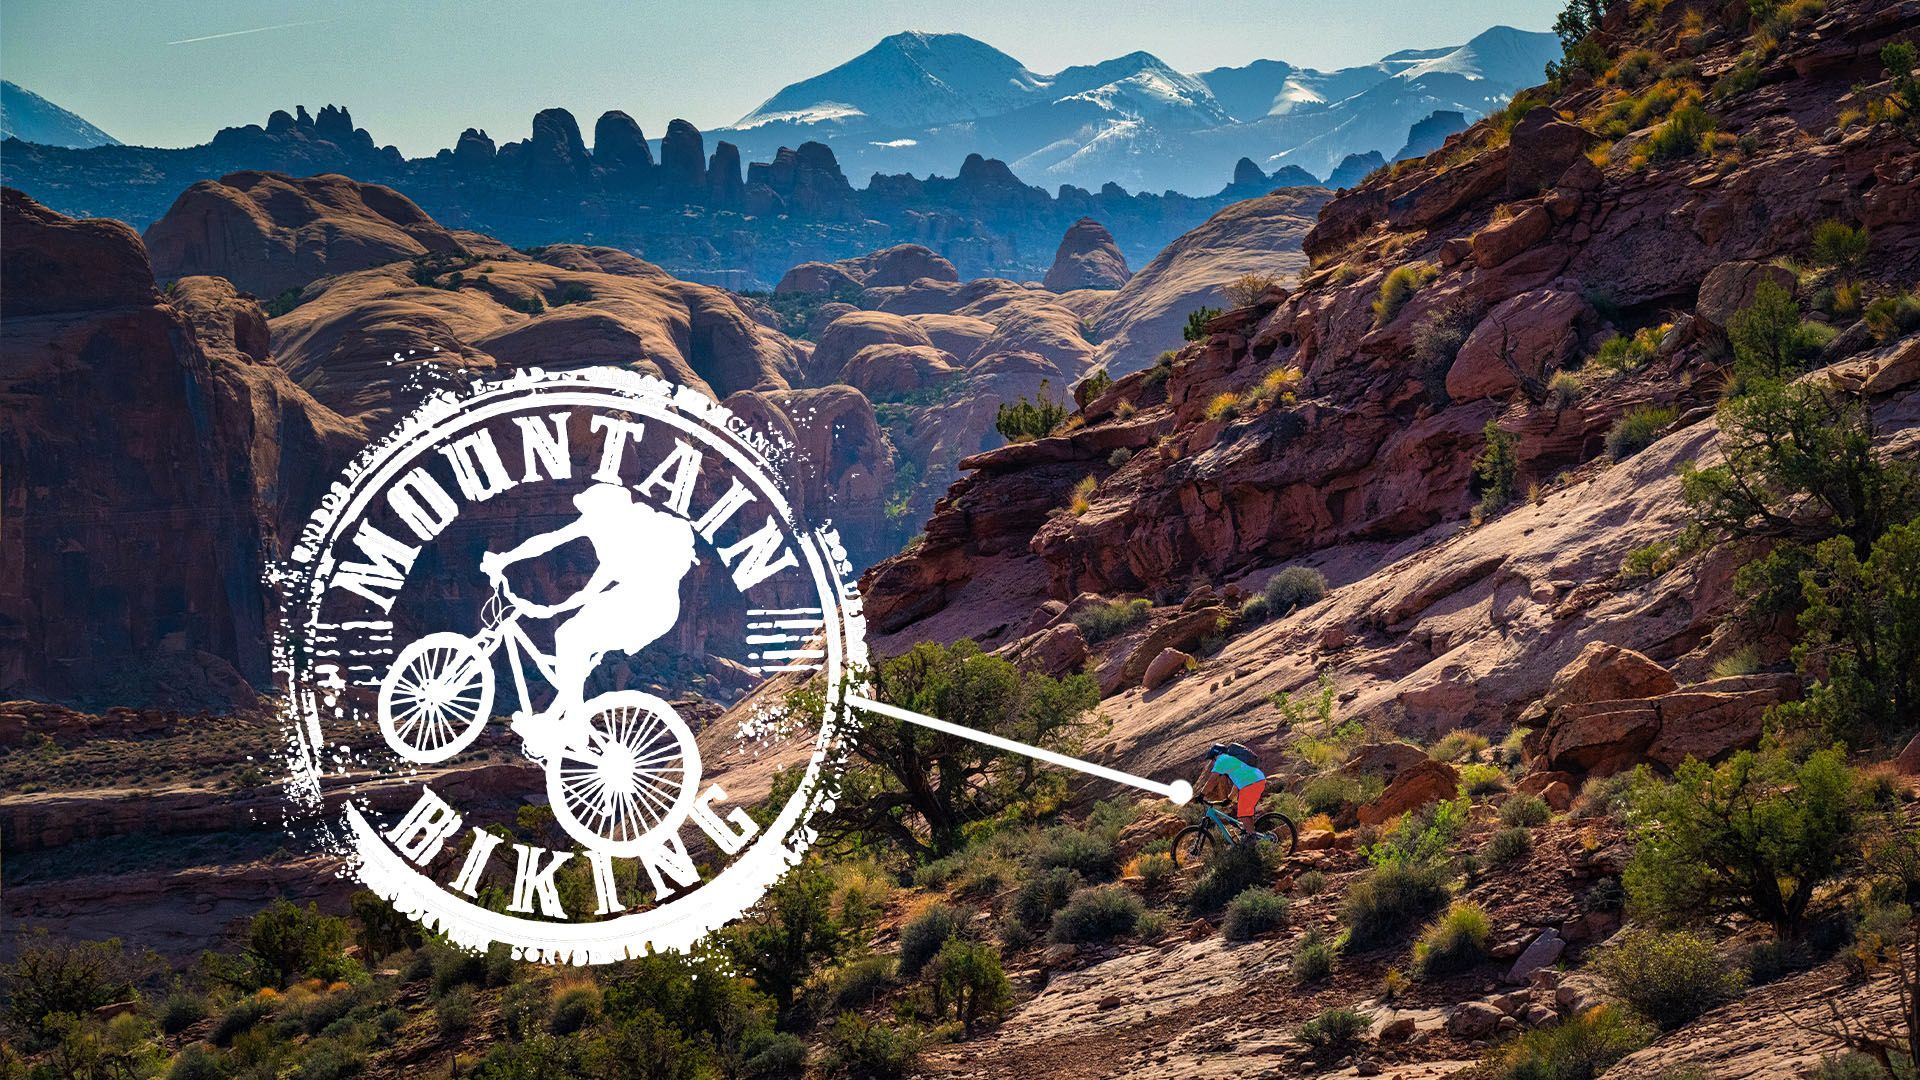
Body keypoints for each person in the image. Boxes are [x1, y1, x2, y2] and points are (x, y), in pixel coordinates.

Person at [478, 482, 698, 761]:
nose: (585, 514)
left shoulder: (621, 538)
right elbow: (558, 552)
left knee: (569, 637)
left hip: (643, 602)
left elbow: (553, 545)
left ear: (606, 510)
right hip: (656, 606)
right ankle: (555, 723)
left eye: (590, 508)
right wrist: (546, 602)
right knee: (576, 652)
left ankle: (573, 728)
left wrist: (504, 560)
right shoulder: (615, 532)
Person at [1198, 742, 1267, 833]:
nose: (1212, 762)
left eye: (1212, 759)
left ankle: (1252, 839)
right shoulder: (1231, 760)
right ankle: (1249, 834)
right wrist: (1229, 799)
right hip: (1255, 781)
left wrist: (1201, 794)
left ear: (1216, 755)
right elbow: (1238, 783)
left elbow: (1213, 780)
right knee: (1244, 814)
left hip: (1251, 783)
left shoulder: (1222, 759)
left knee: (1243, 814)